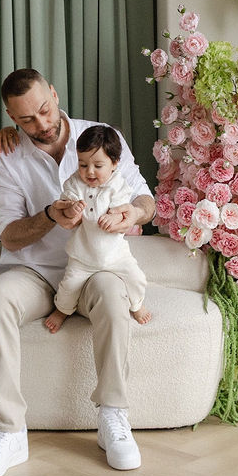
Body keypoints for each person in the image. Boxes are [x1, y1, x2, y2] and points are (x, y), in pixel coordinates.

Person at [0, 69, 155, 476]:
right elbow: (9, 235)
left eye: (45, 110)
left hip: (93, 270)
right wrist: (50, 215)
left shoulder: (102, 136)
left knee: (112, 291)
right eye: (27, 119)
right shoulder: (4, 157)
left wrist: (133, 213)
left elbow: (145, 197)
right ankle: (9, 431)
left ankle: (113, 416)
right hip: (33, 272)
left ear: (53, 94)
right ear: (11, 118)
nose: (42, 124)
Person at [44, 125, 152, 334]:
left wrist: (114, 217)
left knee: (137, 279)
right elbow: (66, 209)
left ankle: (137, 305)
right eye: (83, 164)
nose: (89, 171)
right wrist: (72, 209)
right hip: (83, 256)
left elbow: (122, 210)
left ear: (114, 163)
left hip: (116, 255)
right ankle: (62, 310)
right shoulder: (74, 183)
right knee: (69, 286)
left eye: (98, 165)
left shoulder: (118, 184)